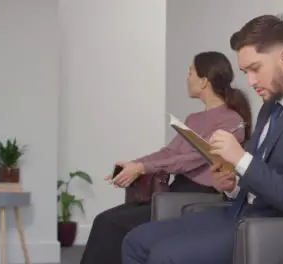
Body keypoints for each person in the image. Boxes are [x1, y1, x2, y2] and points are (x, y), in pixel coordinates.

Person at [121, 14, 283, 264]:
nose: (250, 81)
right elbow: (257, 175)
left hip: (270, 229)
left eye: (255, 69)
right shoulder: (272, 105)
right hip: (239, 213)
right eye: (246, 72)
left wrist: (241, 159)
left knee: (164, 255)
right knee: (136, 241)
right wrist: (232, 185)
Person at [80, 51, 253, 264]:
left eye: (190, 72)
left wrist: (143, 168)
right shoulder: (194, 118)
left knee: (112, 224)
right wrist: (135, 164)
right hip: (174, 192)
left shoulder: (231, 120)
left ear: (204, 81)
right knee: (104, 220)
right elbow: (170, 153)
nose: (187, 78)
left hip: (201, 196)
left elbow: (192, 158)